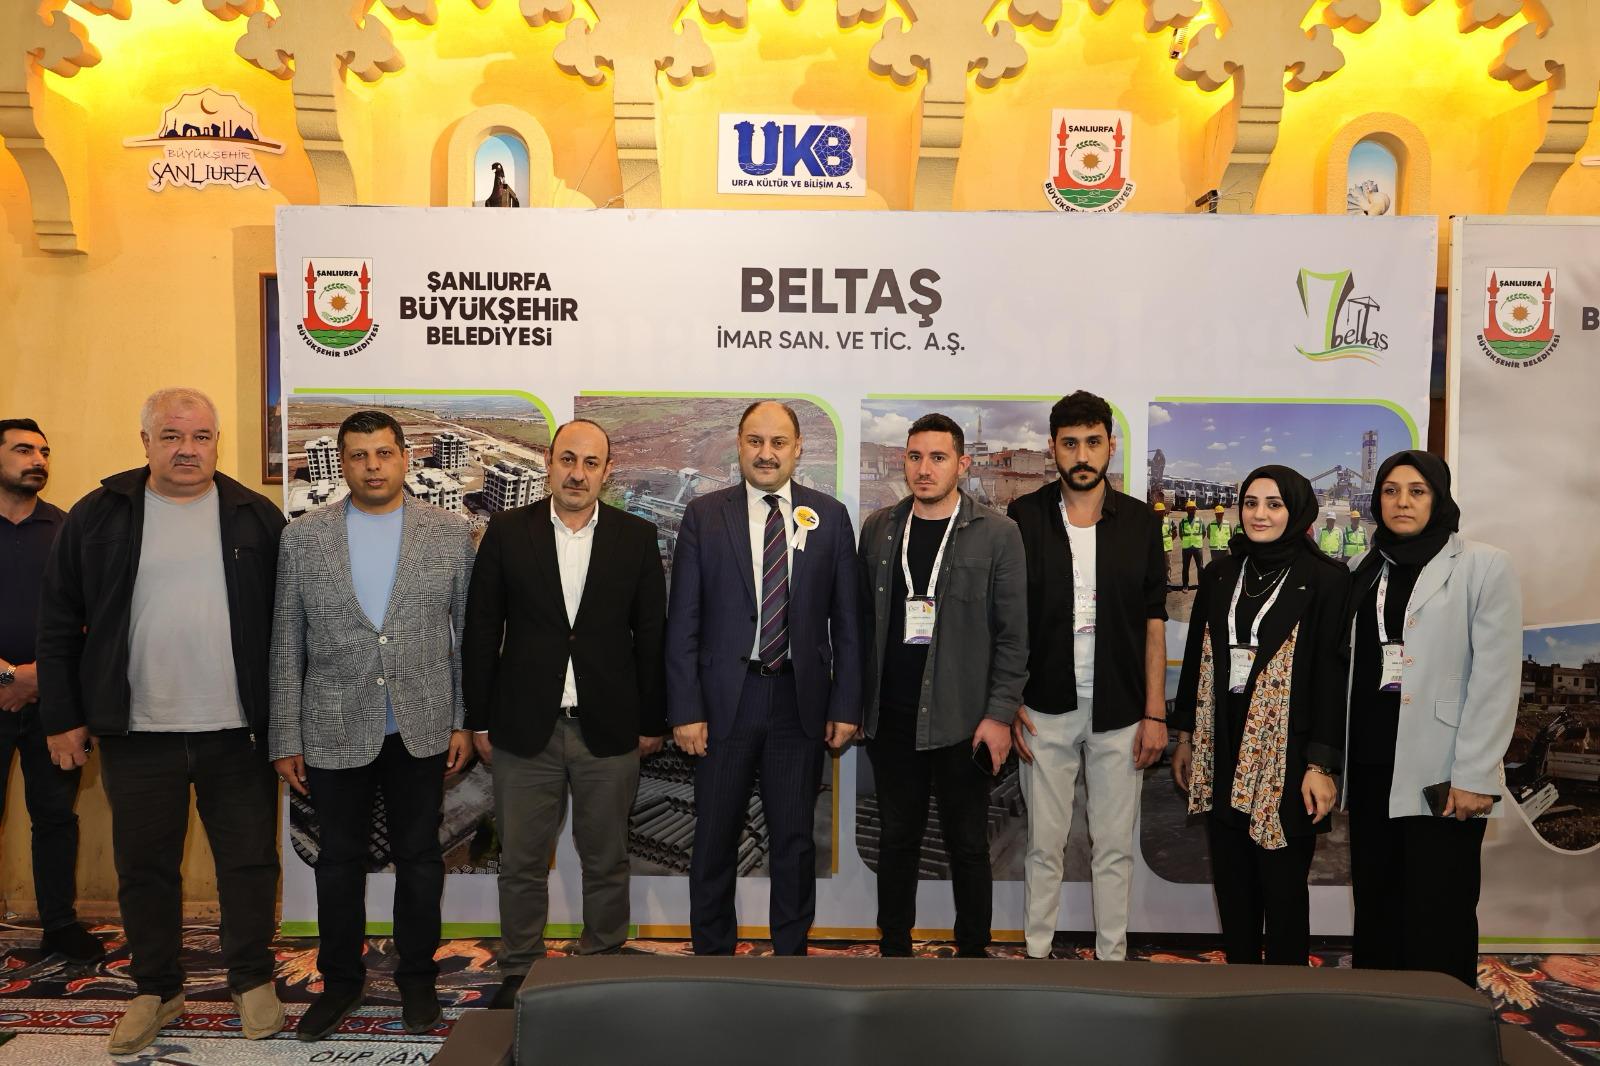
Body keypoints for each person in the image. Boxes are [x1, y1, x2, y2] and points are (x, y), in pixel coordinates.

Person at [36, 388, 286, 1055]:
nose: (187, 450)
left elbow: (289, 629)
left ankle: (251, 979)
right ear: (145, 441)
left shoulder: (255, 516)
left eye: (201, 437)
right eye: (171, 436)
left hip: (239, 732)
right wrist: (63, 717)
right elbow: (57, 624)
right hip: (136, 731)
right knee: (145, 868)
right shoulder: (97, 516)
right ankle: (156, 987)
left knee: (249, 863)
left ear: (217, 443)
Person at [270, 410, 477, 1040]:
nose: (372, 467)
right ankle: (340, 983)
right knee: (337, 863)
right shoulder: (303, 538)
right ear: (343, 463)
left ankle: (417, 980)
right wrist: (285, 736)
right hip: (332, 726)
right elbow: (287, 641)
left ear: (404, 457)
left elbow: (467, 636)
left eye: (383, 453)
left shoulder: (450, 533)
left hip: (422, 725)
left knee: (420, 860)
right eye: (358, 456)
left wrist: (463, 719)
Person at [463, 418, 666, 1009]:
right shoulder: (507, 532)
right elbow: (481, 631)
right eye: (568, 460)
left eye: (591, 463)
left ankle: (600, 963)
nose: (578, 473)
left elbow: (652, 636)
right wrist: (479, 719)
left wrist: (651, 720)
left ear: (607, 471)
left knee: (606, 859)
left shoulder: (636, 536)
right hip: (525, 729)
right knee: (521, 861)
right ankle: (519, 972)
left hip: (609, 728)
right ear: (550, 463)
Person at [665, 401, 862, 956]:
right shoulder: (704, 515)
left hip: (798, 701)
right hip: (724, 701)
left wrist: (846, 703)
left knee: (795, 839)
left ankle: (790, 958)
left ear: (798, 449)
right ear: (739, 445)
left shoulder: (829, 517)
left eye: (778, 442)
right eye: (755, 441)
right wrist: (685, 709)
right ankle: (713, 957)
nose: (766, 453)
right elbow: (683, 621)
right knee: (714, 837)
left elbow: (849, 621)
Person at [1344, 450, 1520, 987]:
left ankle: (1442, 1018)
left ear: (1438, 497)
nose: (1402, 502)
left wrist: (1475, 774)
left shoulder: (1483, 565)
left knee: (1439, 904)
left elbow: (1495, 677)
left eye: (1417, 491)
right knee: (1377, 898)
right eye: (1390, 490)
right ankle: (1379, 1010)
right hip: (1372, 761)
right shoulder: (1363, 567)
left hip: (1443, 768)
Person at [859, 412, 1027, 958]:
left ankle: (973, 956)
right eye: (915, 457)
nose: (924, 469)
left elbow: (1013, 636)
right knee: (896, 841)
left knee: (968, 846)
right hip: (892, 720)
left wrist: (999, 716)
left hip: (964, 722)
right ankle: (894, 954)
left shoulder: (998, 535)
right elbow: (862, 625)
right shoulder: (879, 528)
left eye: (937, 457)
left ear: (963, 463)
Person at [1007, 392, 1167, 961]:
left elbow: (1153, 623)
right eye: (1070, 443)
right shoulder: (1024, 517)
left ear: (1110, 446)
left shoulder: (1141, 523)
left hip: (1121, 708)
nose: (1082, 455)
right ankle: (1036, 955)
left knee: (1114, 847)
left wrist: (1155, 712)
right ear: (1052, 447)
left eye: (1093, 442)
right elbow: (1005, 616)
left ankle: (1112, 959)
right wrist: (1007, 698)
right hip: (1042, 705)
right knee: (1044, 845)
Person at [1169, 466, 1350, 965]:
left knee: (1283, 889)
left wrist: (1321, 765)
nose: (1259, 514)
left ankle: (1285, 995)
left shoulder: (1326, 580)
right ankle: (1240, 984)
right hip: (1222, 745)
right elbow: (1196, 658)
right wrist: (1185, 737)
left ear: (1297, 510)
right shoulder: (1221, 574)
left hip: (1286, 755)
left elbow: (1332, 678)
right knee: (1233, 885)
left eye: (1274, 504)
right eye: (1250, 503)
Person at [0, 419, 102, 964]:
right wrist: (7, 677)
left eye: (44, 451)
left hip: (54, 702)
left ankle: (59, 924)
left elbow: (90, 614)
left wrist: (40, 675)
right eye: (23, 450)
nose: (37, 460)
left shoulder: (67, 529)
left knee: (56, 817)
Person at [1178, 500, 1204, 590]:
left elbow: (1204, 533)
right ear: (1186, 510)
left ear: (1195, 510)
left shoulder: (1200, 520)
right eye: (1190, 509)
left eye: (1193, 509)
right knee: (1185, 567)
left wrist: (1197, 540)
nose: (1192, 511)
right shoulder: (1182, 521)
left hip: (1197, 547)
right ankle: (1185, 585)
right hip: (1186, 547)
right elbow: (1180, 534)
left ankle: (1201, 585)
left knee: (1200, 567)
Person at [1154, 500, 1174, 590]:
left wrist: (1169, 540)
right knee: (1156, 566)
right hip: (1156, 548)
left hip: (1167, 548)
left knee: (1167, 567)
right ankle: (1157, 584)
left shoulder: (1169, 521)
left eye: (1161, 511)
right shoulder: (1151, 521)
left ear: (1164, 511)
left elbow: (1175, 532)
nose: (1160, 513)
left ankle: (1168, 584)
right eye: (1158, 512)